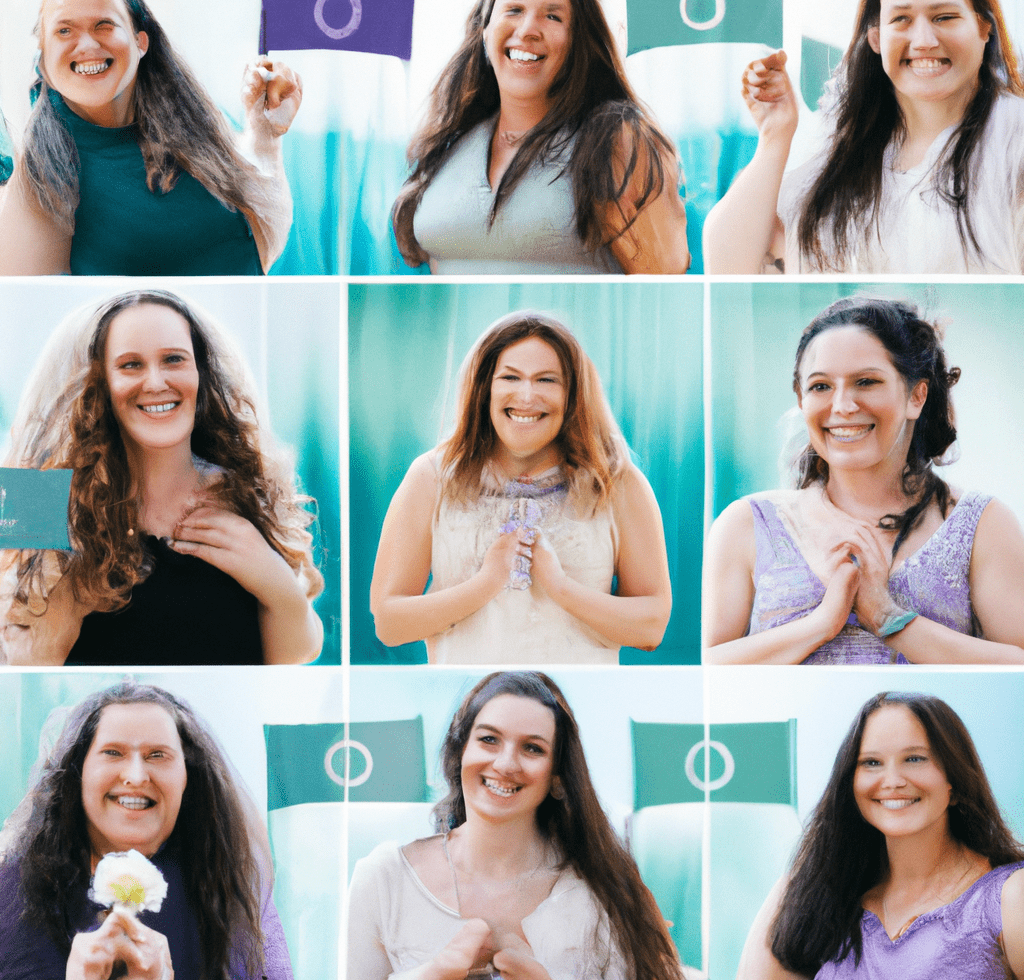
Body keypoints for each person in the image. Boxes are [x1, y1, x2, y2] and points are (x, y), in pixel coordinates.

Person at [0, 289, 323, 666]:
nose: (155, 382)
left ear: (201, 372)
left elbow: (296, 656)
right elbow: (15, 673)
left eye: (173, 359)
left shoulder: (247, 489)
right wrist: (63, 605)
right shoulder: (33, 496)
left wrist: (276, 584)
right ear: (99, 380)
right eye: (130, 365)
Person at [702, 296, 1024, 664]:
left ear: (917, 396)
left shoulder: (983, 523)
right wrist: (822, 623)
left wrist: (889, 618)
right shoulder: (744, 524)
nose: (842, 406)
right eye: (820, 386)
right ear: (801, 398)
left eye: (866, 381)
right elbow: (712, 673)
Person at [370, 310, 672, 664]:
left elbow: (651, 627)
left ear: (573, 394)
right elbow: (389, 624)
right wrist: (487, 581)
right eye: (511, 377)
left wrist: (560, 587)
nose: (527, 396)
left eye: (546, 380)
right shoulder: (431, 476)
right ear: (485, 388)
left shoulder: (617, 481)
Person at [348, 671, 687, 979]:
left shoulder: (603, 891)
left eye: (532, 748)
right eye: (489, 740)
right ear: (460, 751)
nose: (506, 763)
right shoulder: (384, 878)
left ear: (557, 776)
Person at [702, 0, 1024, 274]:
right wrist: (775, 136)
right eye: (901, 19)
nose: (924, 41)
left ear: (984, 27)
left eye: (944, 17)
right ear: (875, 38)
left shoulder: (1015, 141)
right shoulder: (837, 157)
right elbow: (728, 268)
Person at [391, 0, 690, 275]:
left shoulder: (617, 141)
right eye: (514, 10)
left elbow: (665, 277)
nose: (528, 29)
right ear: (485, 30)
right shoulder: (448, 142)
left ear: (578, 41)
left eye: (553, 16)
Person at [0, 0, 302, 275]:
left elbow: (255, 252)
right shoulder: (42, 174)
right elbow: (31, 309)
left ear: (140, 42)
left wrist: (266, 135)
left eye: (104, 25)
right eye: (64, 31)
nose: (88, 44)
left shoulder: (198, 132)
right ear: (42, 58)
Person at [0, 681, 293, 980]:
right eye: (113, 752)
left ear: (188, 777)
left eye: (157, 755)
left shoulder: (227, 886)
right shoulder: (12, 889)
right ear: (78, 773)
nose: (136, 776)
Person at [737, 692, 1024, 979]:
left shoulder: (1009, 897)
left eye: (914, 758)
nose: (893, 781)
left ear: (955, 781)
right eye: (871, 762)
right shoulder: (816, 902)